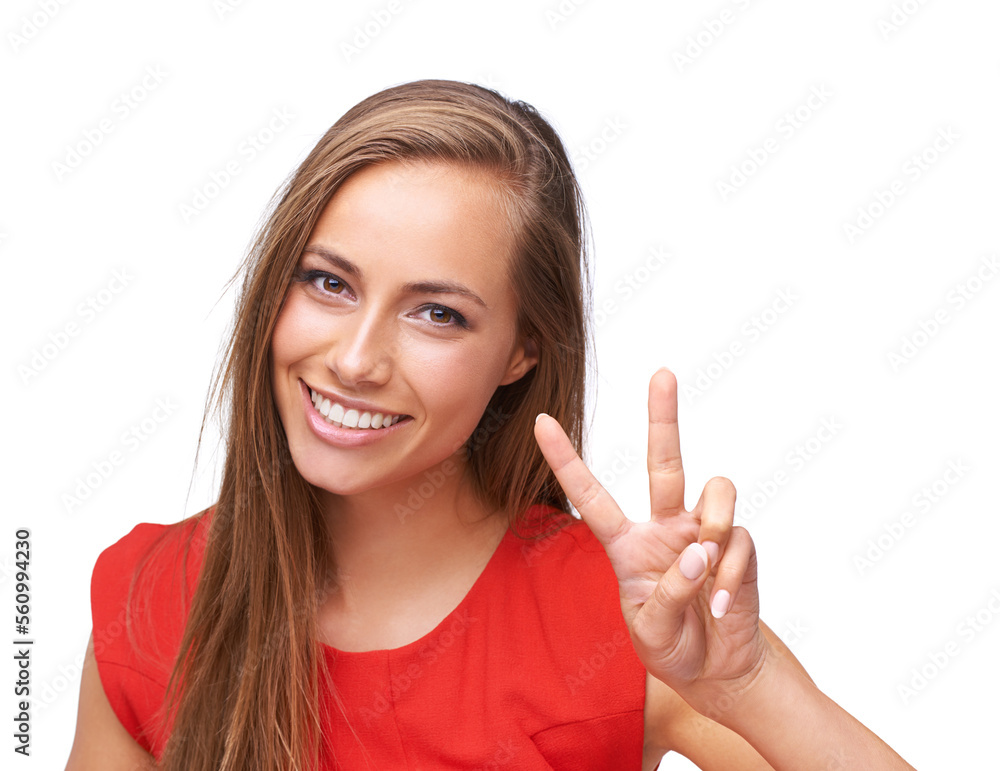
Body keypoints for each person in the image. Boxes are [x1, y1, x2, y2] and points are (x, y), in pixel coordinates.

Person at [65, 79, 916, 770]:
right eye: (329, 282)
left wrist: (750, 685)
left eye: (436, 312)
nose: (356, 358)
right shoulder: (149, 596)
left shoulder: (636, 620)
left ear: (522, 351)